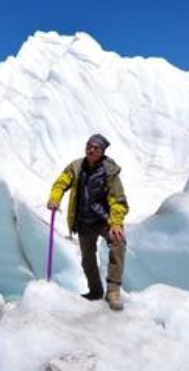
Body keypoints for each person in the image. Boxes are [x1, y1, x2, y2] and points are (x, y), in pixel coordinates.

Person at [47, 133, 128, 311]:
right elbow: (61, 183)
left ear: (102, 151)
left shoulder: (110, 172)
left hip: (104, 220)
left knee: (118, 242)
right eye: (89, 146)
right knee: (87, 260)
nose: (91, 150)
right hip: (83, 221)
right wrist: (55, 198)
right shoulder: (76, 167)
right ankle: (95, 291)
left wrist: (115, 223)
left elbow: (117, 199)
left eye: (96, 148)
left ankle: (113, 291)